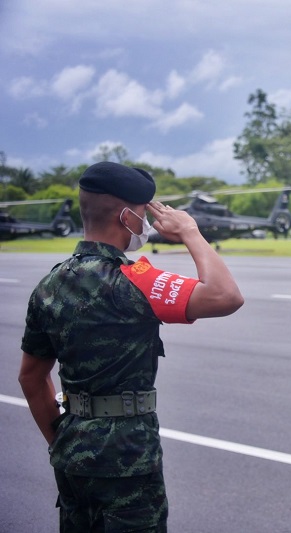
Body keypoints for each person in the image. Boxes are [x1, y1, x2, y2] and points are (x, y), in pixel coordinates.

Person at [18, 161, 244, 532]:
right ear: (127, 217)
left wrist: (62, 441)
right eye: (143, 214)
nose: (147, 223)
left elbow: (30, 377)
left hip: (71, 454)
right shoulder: (135, 281)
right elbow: (226, 295)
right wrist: (190, 232)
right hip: (128, 459)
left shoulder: (49, 285)